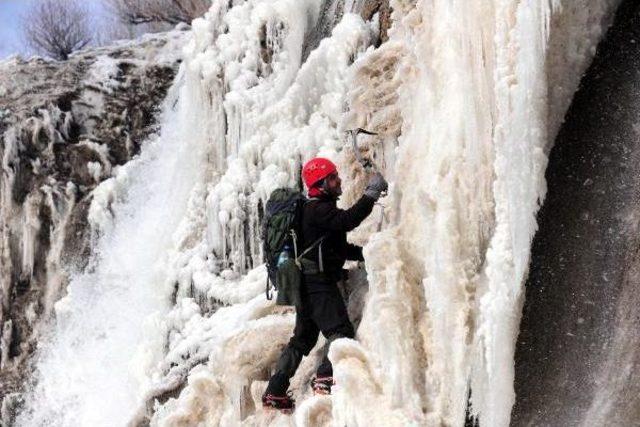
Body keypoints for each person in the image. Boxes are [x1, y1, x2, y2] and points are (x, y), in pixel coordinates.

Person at [262, 157, 388, 411]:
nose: (339, 181)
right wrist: (371, 194)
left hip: (306, 285)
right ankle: (325, 378)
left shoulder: (317, 212)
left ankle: (275, 391)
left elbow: (338, 248)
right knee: (340, 331)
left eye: (336, 176)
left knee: (303, 338)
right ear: (320, 184)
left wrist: (371, 252)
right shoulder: (318, 209)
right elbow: (348, 220)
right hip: (318, 284)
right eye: (333, 178)